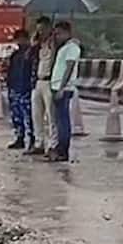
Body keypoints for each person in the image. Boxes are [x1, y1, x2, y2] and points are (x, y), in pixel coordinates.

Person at [49, 21, 81, 163]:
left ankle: (63, 150)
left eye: (59, 34)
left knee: (63, 121)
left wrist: (62, 88)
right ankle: (59, 148)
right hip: (56, 86)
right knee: (58, 120)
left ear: (67, 32)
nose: (57, 37)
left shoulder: (72, 48)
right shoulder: (63, 48)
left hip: (64, 88)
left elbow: (69, 68)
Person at [27, 17, 55, 156]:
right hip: (38, 80)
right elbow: (28, 57)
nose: (41, 32)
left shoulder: (55, 43)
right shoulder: (38, 45)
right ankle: (39, 143)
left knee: (51, 116)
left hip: (50, 81)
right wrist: (34, 43)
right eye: (39, 30)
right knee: (36, 114)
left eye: (43, 29)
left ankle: (52, 144)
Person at [4, 29, 35, 150]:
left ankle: (32, 139)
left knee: (28, 116)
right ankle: (19, 137)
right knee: (16, 115)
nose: (19, 42)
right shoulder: (15, 54)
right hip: (14, 87)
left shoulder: (31, 53)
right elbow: (10, 70)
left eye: (21, 39)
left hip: (26, 88)